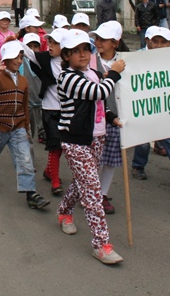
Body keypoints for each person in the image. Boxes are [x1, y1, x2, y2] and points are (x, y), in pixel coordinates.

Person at [55, 29, 125, 265]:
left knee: (82, 181)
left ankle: (64, 211)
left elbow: (99, 103)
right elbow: (99, 92)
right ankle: (101, 245)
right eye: (75, 51)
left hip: (97, 138)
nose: (82, 55)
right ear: (66, 56)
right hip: (75, 140)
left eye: (85, 49)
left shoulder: (94, 73)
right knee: (93, 192)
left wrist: (111, 116)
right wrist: (114, 74)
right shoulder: (68, 78)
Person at [0, 40, 50, 210]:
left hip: (17, 128)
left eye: (20, 57)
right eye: (15, 57)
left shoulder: (23, 81)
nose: (18, 60)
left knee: (25, 159)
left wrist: (26, 126)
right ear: (6, 59)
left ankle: (31, 193)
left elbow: (24, 105)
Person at [128, 26, 170, 188]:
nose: (159, 45)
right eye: (155, 41)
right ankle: (138, 165)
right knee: (142, 142)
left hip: (163, 107)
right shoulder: (136, 58)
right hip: (143, 107)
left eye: (163, 42)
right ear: (148, 41)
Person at [22, 27, 70, 196]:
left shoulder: (71, 63)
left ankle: (49, 171)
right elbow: (28, 53)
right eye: (49, 41)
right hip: (50, 110)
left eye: (55, 43)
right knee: (54, 146)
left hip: (68, 110)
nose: (50, 45)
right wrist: (15, 39)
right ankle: (55, 182)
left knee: (65, 146)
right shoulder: (44, 60)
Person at [89, 21, 127, 215]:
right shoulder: (89, 61)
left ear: (115, 42)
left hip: (117, 117)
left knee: (111, 159)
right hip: (95, 118)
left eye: (103, 39)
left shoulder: (125, 62)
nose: (98, 42)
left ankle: (102, 193)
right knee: (95, 159)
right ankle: (91, 192)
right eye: (96, 38)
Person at [21, 33, 44, 144]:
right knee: (29, 132)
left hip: (42, 102)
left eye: (36, 46)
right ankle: (26, 158)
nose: (33, 50)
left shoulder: (42, 62)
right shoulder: (21, 63)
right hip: (27, 104)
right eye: (29, 47)